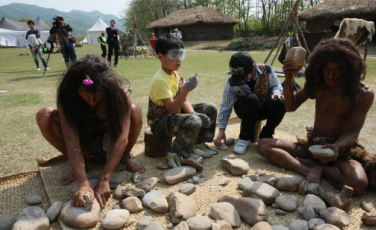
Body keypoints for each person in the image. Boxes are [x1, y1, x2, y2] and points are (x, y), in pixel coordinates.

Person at [257, 38, 374, 195]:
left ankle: (320, 168)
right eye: (326, 69)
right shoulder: (318, 84)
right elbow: (290, 107)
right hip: (312, 146)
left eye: (337, 70)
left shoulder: (362, 93)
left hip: (342, 152)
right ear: (319, 68)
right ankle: (307, 169)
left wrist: (336, 148)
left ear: (348, 69)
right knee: (263, 145)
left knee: (358, 184)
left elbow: (352, 133)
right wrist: (289, 79)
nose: (331, 76)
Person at [36, 55, 144, 208]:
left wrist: (104, 179)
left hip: (110, 140)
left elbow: (122, 138)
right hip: (84, 141)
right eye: (86, 94)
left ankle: (124, 158)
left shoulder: (119, 94)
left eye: (97, 94)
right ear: (75, 89)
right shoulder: (67, 97)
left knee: (135, 111)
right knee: (44, 116)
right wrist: (83, 182)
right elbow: (71, 140)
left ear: (107, 88)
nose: (92, 101)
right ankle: (83, 164)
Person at [147, 34, 217, 167]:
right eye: (174, 56)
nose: (178, 60)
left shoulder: (177, 75)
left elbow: (183, 100)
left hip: (175, 114)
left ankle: (198, 144)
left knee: (210, 108)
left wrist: (194, 113)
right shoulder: (160, 80)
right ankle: (176, 153)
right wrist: (185, 90)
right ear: (160, 57)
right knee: (193, 121)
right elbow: (172, 109)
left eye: (180, 55)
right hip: (160, 121)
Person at [214, 52, 286, 155]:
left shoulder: (266, 69)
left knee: (280, 102)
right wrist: (221, 131)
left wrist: (276, 93)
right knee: (251, 99)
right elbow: (226, 106)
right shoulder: (232, 82)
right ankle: (244, 138)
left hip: (263, 107)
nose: (242, 80)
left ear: (253, 67)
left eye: (244, 76)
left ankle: (266, 136)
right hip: (245, 109)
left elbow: (277, 85)